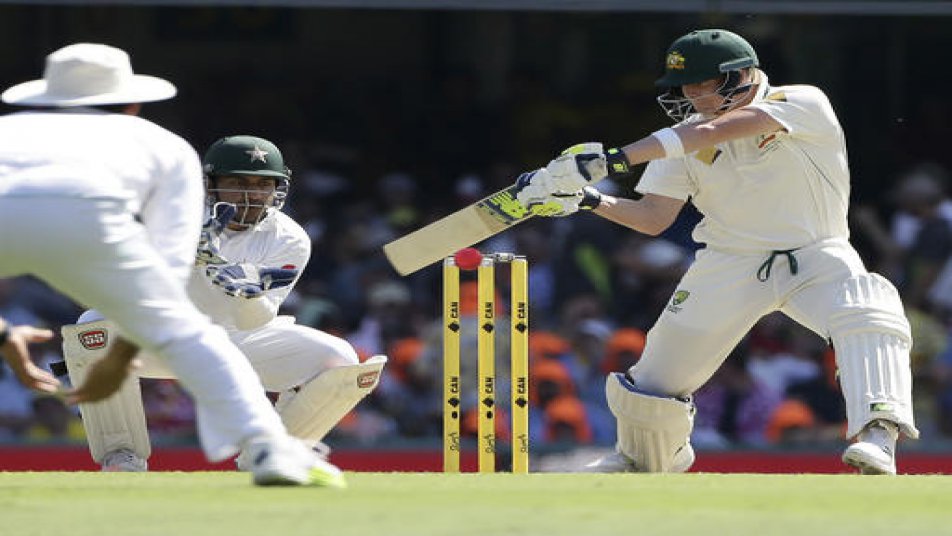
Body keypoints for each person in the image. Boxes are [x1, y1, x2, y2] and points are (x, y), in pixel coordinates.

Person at [515, 29, 916, 475]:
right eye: (687, 86)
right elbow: (652, 217)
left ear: (743, 75)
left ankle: (879, 439)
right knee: (655, 377)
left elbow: (709, 131)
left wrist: (609, 161)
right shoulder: (678, 140)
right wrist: (589, 199)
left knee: (869, 308)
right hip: (729, 262)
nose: (694, 95)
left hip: (817, 254)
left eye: (705, 84)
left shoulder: (801, 102)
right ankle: (644, 461)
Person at [0, 43, 344, 487]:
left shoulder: (6, 131)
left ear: (41, 99)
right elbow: (162, 282)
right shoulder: (162, 145)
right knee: (193, 335)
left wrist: (7, 335)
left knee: (110, 328)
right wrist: (120, 357)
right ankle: (269, 448)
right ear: (132, 104)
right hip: (92, 219)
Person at [61, 135, 386, 472]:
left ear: (279, 188)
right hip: (162, 339)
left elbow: (252, 322)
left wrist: (247, 294)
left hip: (238, 342)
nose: (252, 194)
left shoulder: (290, 239)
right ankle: (122, 456)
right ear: (211, 185)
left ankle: (272, 455)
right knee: (92, 327)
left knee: (342, 360)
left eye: (263, 184)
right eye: (238, 182)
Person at [0, 316, 59, 394]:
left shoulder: (56, 364)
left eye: (37, 348)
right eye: (30, 347)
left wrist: (8, 337)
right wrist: (8, 337)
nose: (34, 352)